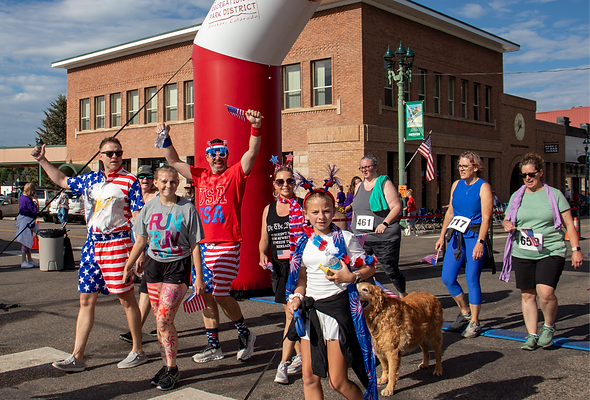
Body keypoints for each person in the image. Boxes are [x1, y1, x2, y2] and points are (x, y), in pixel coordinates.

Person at [32, 137, 147, 372]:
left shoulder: (130, 181)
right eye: (110, 153)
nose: (115, 157)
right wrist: (43, 160)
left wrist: (139, 253)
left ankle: (137, 350)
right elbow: (62, 180)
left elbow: (138, 219)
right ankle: (77, 356)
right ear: (100, 156)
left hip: (118, 244)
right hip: (92, 246)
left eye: (118, 152)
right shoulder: (90, 180)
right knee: (85, 299)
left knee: (125, 298)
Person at [158, 109, 262, 363]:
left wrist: (255, 127)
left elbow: (252, 153)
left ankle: (245, 333)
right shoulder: (199, 175)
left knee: (219, 293)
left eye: (222, 153)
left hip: (227, 243)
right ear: (206, 157)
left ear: (227, 156)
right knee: (204, 293)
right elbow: (172, 160)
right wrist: (164, 137)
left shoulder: (235, 173)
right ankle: (214, 345)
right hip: (201, 246)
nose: (218, 157)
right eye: (213, 154)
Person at [287, 190, 377, 400]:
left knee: (338, 381)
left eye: (326, 211)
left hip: (337, 312)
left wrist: (351, 276)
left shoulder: (345, 238)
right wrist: (297, 297)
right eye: (315, 212)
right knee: (309, 377)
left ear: (334, 210)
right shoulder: (303, 243)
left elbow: (370, 268)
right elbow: (302, 280)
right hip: (311, 313)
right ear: (305, 214)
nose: (321, 217)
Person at [123, 165, 204, 390]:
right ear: (156, 184)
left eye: (173, 181)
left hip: (177, 267)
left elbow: (195, 245)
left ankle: (172, 368)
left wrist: (198, 276)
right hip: (153, 267)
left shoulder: (187, 209)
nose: (169, 185)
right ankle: (166, 366)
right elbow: (140, 240)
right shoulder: (149, 208)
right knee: (160, 322)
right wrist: (128, 265)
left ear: (178, 184)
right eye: (164, 181)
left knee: (163, 320)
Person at [500, 153, 583, 350]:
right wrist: (507, 224)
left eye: (531, 174)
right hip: (523, 251)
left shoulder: (554, 195)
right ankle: (531, 334)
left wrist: (576, 249)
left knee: (545, 293)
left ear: (540, 173)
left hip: (550, 250)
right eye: (524, 175)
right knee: (528, 295)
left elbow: (569, 225)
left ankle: (548, 326)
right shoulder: (517, 196)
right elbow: (506, 219)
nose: (528, 178)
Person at [435, 151, 493, 338]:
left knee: (472, 278)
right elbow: (450, 212)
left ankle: (475, 322)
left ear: (476, 167)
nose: (461, 169)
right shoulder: (456, 185)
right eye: (459, 166)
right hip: (456, 235)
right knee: (448, 277)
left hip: (474, 235)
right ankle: (465, 312)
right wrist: (441, 236)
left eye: (465, 166)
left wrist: (480, 243)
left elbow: (486, 218)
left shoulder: (483, 187)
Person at [259, 166, 303, 384]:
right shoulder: (269, 209)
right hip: (279, 268)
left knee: (291, 314)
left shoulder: (302, 206)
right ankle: (301, 355)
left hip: (299, 267)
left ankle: (284, 363)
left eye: (289, 181)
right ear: (274, 184)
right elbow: (264, 239)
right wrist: (262, 254)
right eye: (280, 182)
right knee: (291, 313)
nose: (285, 185)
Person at [351, 155, 406, 298]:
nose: (365, 170)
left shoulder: (384, 183)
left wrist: (385, 223)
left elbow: (396, 207)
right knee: (364, 269)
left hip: (384, 236)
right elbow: (356, 211)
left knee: (390, 269)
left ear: (375, 167)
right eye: (362, 167)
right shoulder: (358, 186)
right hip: (362, 237)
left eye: (367, 167)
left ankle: (403, 293)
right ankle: (372, 298)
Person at [119, 164, 159, 343]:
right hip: (134, 247)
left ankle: (140, 329)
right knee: (149, 289)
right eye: (141, 176)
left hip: (153, 249)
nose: (144, 180)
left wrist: (142, 252)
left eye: (148, 177)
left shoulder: (157, 197)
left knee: (148, 288)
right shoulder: (132, 196)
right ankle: (157, 326)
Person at [15, 183, 39, 268]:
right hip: (26, 221)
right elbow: (35, 209)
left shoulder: (22, 197)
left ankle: (30, 259)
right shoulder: (28, 200)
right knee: (25, 242)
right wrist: (36, 200)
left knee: (28, 241)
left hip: (26, 220)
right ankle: (24, 261)